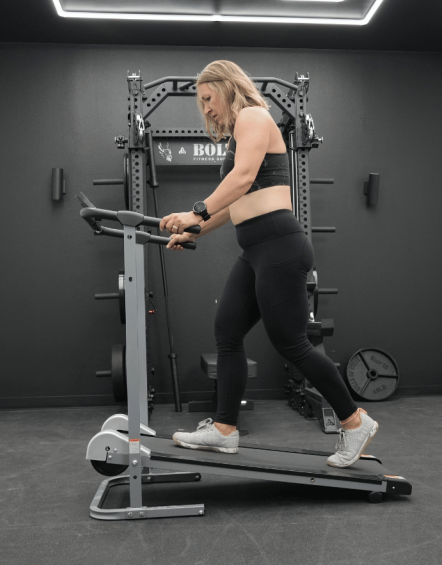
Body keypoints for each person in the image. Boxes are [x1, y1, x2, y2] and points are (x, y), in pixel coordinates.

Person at [158, 60, 377, 468]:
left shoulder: (255, 116)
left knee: (291, 343)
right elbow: (237, 202)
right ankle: (224, 430)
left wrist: (196, 211)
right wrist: (195, 230)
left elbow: (240, 179)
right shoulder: (240, 135)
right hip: (256, 250)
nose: (205, 109)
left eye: (207, 99)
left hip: (279, 245)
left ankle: (354, 421)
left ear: (227, 87)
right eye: (200, 103)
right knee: (227, 331)